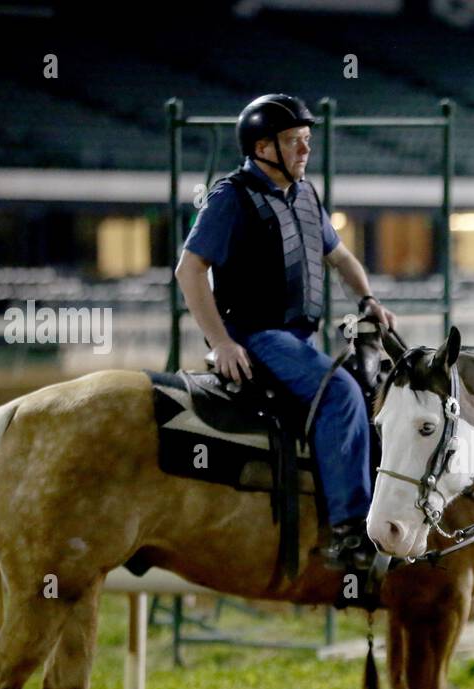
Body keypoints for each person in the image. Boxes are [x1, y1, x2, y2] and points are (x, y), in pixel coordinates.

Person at [174, 94, 396, 570]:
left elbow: (340, 258)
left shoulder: (306, 194)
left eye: (307, 141)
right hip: (257, 334)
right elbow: (189, 271)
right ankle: (348, 532)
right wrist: (223, 342)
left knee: (376, 386)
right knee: (338, 394)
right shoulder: (230, 197)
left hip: (301, 338)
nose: (303, 150)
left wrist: (368, 298)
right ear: (261, 147)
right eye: (293, 141)